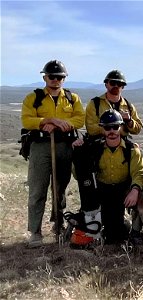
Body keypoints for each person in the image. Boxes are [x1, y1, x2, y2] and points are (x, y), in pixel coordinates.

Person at [21, 60, 85, 248]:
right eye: (52, 77)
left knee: (60, 188)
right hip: (40, 146)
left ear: (64, 79)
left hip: (64, 146)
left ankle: (58, 224)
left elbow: (79, 118)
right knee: (37, 189)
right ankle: (35, 232)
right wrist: (46, 120)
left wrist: (60, 123)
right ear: (44, 77)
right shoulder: (34, 97)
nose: (56, 80)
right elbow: (26, 119)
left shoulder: (73, 98)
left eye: (60, 77)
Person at [72, 110, 143, 246]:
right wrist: (78, 154)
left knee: (142, 197)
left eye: (115, 127)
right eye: (107, 127)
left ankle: (135, 233)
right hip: (102, 191)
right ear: (102, 129)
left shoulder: (131, 150)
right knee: (111, 231)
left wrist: (135, 190)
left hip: (123, 190)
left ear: (121, 128)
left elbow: (139, 173)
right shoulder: (94, 149)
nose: (111, 131)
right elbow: (79, 175)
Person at [85, 70, 143, 140]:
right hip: (99, 145)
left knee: (136, 151)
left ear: (123, 87)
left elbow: (138, 129)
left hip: (122, 144)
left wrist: (129, 121)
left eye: (119, 84)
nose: (116, 86)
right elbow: (90, 128)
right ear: (106, 84)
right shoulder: (95, 104)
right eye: (112, 83)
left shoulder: (129, 106)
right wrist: (113, 129)